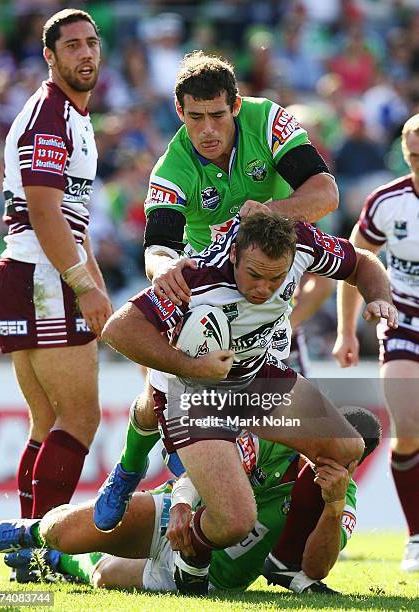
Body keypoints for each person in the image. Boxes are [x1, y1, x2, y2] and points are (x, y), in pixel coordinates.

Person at [94, 50, 339, 531]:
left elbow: (326, 193)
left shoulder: (268, 121)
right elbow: (158, 247)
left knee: (285, 411)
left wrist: (268, 212)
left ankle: (291, 525)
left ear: (236, 106)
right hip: (212, 289)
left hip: (270, 282)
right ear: (180, 112)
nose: (207, 129)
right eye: (195, 117)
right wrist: (164, 268)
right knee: (156, 394)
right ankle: (128, 468)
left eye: (217, 116)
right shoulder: (172, 166)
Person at [100, 210, 396, 592]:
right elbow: (118, 330)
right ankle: (174, 532)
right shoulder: (197, 278)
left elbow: (363, 261)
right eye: (254, 275)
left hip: (257, 378)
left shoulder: (303, 244)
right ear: (235, 253)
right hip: (196, 394)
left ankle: (281, 563)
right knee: (236, 521)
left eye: (276, 278)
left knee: (347, 448)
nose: (264, 288)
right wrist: (192, 365)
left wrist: (379, 298)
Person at [0, 407, 382, 595]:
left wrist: (331, 508)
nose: (337, 462)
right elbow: (201, 470)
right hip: (174, 519)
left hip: (205, 578)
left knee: (103, 576)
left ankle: (58, 563)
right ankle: (28, 532)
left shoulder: (342, 500)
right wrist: (179, 506)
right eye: (335, 446)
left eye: (351, 460)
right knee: (68, 530)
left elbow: (315, 568)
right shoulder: (273, 443)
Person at [0, 9, 112, 526]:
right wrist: (83, 284)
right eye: (72, 46)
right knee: (80, 418)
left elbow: (68, 218)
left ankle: (29, 545)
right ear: (50, 56)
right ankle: (48, 545)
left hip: (29, 272)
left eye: (92, 42)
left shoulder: (69, 114)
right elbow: (44, 212)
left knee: (48, 419)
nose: (86, 53)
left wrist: (96, 281)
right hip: (45, 275)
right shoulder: (50, 115)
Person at [332, 113, 419, 572]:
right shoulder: (388, 202)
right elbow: (354, 265)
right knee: (407, 423)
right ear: (404, 153)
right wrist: (347, 332)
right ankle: (417, 537)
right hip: (404, 324)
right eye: (413, 154)